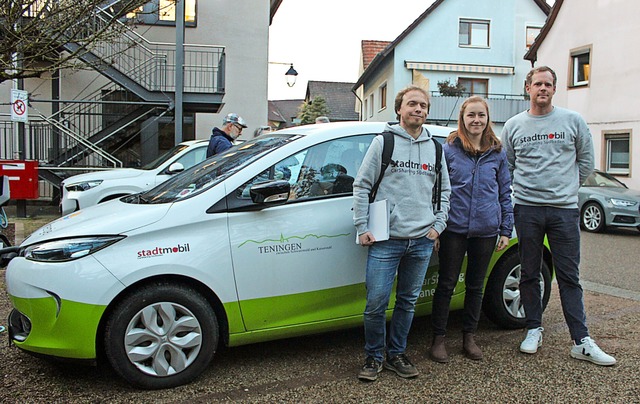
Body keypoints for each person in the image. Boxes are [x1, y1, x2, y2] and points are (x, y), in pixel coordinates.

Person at [502, 66, 616, 366]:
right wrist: (524, 192)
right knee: (529, 272)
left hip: (564, 210)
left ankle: (581, 340)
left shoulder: (572, 121)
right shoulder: (514, 126)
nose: (543, 88)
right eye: (537, 83)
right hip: (527, 209)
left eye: (548, 84)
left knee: (569, 277)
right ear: (528, 88)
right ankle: (533, 328)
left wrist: (566, 189)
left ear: (554, 89)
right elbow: (509, 166)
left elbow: (586, 160)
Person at [353, 85, 451, 381]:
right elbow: (361, 186)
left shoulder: (435, 148)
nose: (418, 109)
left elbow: (444, 190)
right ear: (400, 109)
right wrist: (362, 227)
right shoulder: (384, 142)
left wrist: (438, 226)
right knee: (376, 303)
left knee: (407, 302)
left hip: (421, 240)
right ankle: (373, 357)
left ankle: (397, 353)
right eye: (412, 104)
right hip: (386, 240)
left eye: (423, 105)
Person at [429, 96, 513, 363]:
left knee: (476, 285)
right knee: (447, 283)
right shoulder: (449, 149)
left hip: (486, 229)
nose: (476, 120)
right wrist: (437, 226)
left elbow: (504, 192)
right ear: (462, 119)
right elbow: (436, 190)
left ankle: (469, 337)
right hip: (453, 228)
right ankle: (438, 339)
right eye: (471, 115)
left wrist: (505, 229)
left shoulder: (497, 152)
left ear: (488, 119)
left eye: (481, 115)